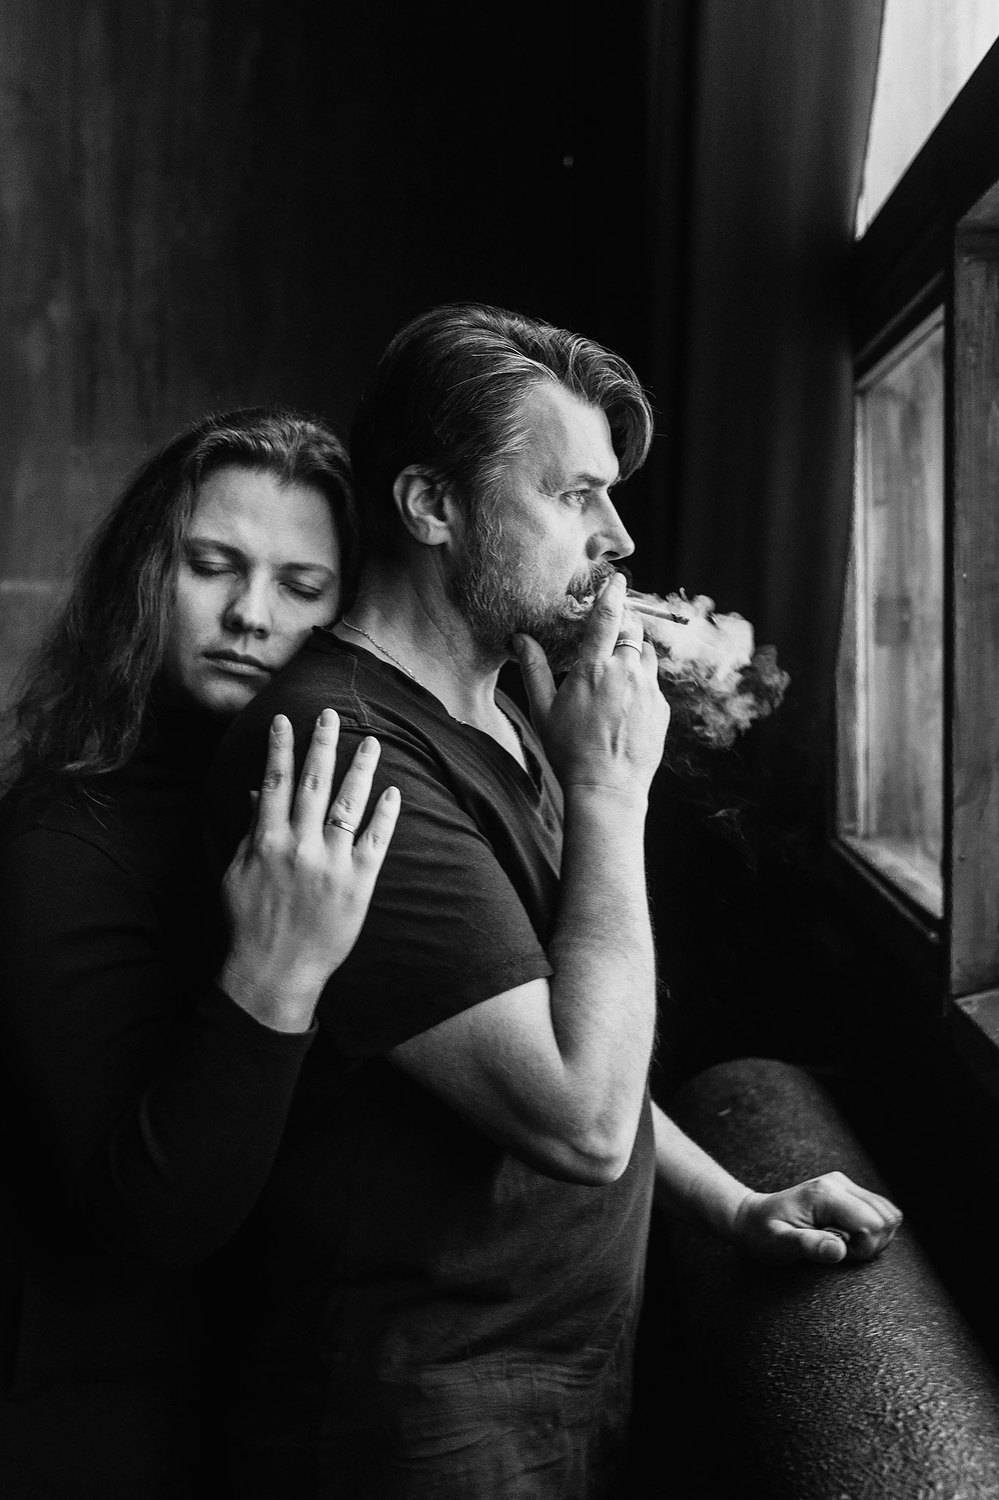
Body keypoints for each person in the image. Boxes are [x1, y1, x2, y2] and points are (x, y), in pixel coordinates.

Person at [208, 307, 902, 1498]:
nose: (618, 539)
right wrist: (610, 796)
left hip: (551, 1393)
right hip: (418, 1428)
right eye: (575, 495)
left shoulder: (503, 708)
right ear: (432, 505)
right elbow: (581, 1116)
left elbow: (560, 1020)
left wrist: (735, 1206)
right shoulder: (348, 751)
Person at [0, 408, 400, 1498]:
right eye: (211, 565)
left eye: (301, 586)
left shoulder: (328, 812)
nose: (249, 615)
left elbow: (478, 1023)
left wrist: (723, 1201)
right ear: (145, 577)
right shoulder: (60, 838)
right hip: (92, 1419)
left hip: (285, 1396)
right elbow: (146, 1221)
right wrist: (277, 972)